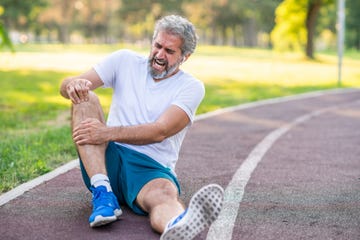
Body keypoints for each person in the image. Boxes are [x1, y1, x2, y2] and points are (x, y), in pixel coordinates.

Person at [59, 15, 224, 239]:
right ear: (152, 41)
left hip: (150, 168)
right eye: (157, 45)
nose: (159, 55)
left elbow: (160, 131)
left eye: (169, 51)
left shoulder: (191, 87)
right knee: (84, 97)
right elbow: (66, 86)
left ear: (185, 56)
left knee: (165, 194)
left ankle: (177, 226)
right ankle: (103, 192)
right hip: (105, 159)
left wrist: (105, 132)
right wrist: (72, 85)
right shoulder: (123, 60)